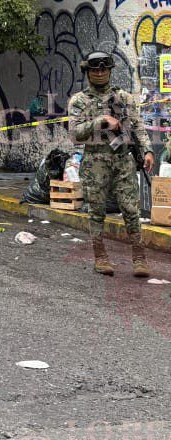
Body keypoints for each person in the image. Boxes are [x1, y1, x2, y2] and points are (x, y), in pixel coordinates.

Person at [68, 51, 155, 277]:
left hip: (123, 161)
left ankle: (139, 258)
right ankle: (101, 258)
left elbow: (137, 126)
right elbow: (75, 134)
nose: (99, 73)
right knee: (96, 212)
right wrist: (101, 121)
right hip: (95, 163)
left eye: (103, 69)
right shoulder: (79, 101)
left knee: (131, 210)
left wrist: (147, 150)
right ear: (87, 72)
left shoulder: (124, 98)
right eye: (94, 70)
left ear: (110, 71)